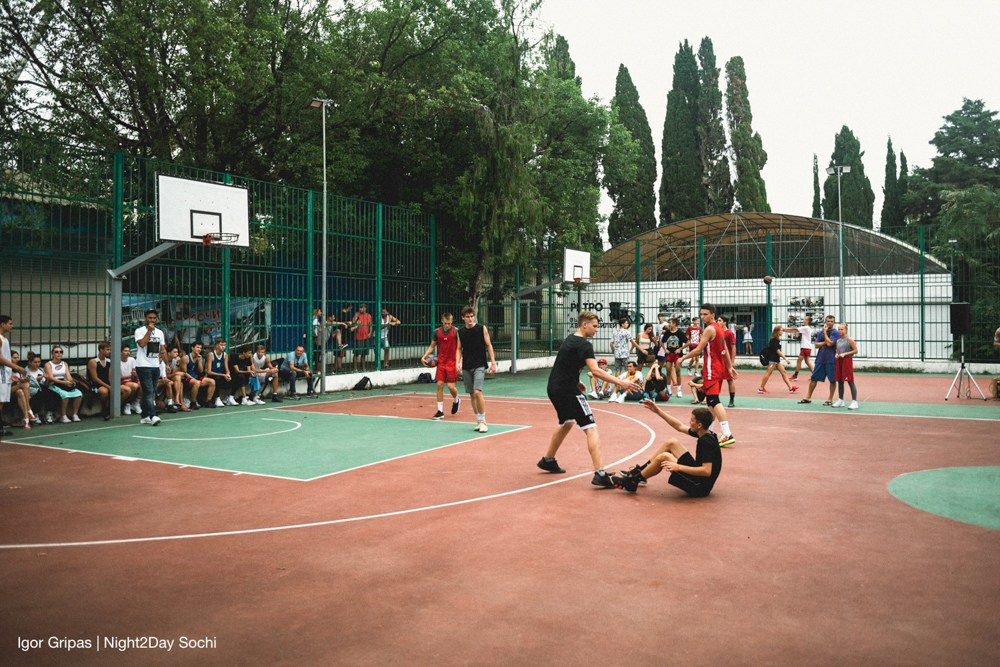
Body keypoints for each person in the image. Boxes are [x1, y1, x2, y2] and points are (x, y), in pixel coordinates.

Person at [536, 310, 642, 488]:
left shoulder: (570, 339)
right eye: (594, 326)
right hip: (567, 390)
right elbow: (596, 371)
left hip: (554, 388)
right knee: (591, 427)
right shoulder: (585, 345)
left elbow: (565, 364)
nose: (596, 329)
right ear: (584, 325)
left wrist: (576, 381)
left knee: (567, 422)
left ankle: (548, 460)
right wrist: (620, 382)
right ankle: (600, 474)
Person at [612, 403, 722, 497]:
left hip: (700, 487)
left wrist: (678, 467)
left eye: (692, 420)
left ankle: (632, 481)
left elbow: (706, 471)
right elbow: (679, 426)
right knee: (671, 442)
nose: (689, 422)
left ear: (699, 425)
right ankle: (640, 472)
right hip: (699, 478)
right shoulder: (706, 433)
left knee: (664, 457)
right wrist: (657, 411)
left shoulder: (705, 442)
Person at [679, 303, 737, 447]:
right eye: (701, 314)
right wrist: (729, 366)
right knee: (711, 405)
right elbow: (725, 350)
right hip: (719, 368)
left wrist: (682, 358)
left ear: (713, 315)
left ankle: (727, 433)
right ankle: (708, 433)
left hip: (712, 369)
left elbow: (698, 350)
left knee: (713, 400)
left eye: (705, 314)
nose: (702, 317)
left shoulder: (709, 329)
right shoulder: (719, 328)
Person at [456, 306, 497, 433]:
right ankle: (478, 421)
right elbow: (459, 348)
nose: (470, 319)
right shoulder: (460, 332)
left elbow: (489, 345)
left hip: (479, 364)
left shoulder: (481, 329)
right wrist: (458, 362)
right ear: (463, 318)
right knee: (472, 394)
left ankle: (484, 421)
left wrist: (493, 362)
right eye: (467, 317)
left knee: (477, 391)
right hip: (466, 365)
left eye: (472, 316)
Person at [423, 312, 461, 420]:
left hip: (452, 362)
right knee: (439, 384)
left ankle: (456, 399)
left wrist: (459, 362)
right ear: (442, 321)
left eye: (449, 323)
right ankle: (440, 411)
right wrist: (424, 356)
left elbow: (460, 348)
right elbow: (432, 346)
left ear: (452, 322)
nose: (447, 325)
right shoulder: (437, 332)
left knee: (451, 387)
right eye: (445, 323)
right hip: (441, 362)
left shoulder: (456, 332)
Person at [798, 315, 839, 406]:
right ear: (825, 321)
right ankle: (808, 397)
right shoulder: (820, 333)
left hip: (831, 360)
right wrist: (826, 342)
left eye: (831, 321)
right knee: (814, 378)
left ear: (834, 322)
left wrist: (825, 334)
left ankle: (830, 399)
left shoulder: (835, 333)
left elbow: (831, 343)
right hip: (820, 359)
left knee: (832, 380)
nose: (829, 323)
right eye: (828, 321)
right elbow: (816, 345)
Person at [133, 309, 165, 425]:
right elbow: (142, 344)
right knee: (148, 391)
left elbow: (162, 348)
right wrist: (149, 331)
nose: (152, 320)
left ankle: (145, 415)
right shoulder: (139, 331)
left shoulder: (160, 332)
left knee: (151, 391)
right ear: (145, 318)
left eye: (154, 318)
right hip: (143, 365)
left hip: (155, 365)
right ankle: (153, 415)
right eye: (150, 318)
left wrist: (163, 360)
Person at [0, 315, 26, 437]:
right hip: (1, 374)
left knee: (2, 402)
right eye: (10, 323)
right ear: (2, 324)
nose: (12, 326)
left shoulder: (4, 339)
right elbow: (1, 358)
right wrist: (16, 367)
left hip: (5, 374)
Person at [44, 345, 83, 423]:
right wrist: (64, 382)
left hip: (64, 383)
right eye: (56, 352)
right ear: (52, 354)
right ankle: (63, 416)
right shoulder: (48, 364)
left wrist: (71, 382)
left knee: (79, 393)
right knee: (65, 395)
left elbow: (68, 376)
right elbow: (51, 378)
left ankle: (75, 414)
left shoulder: (64, 364)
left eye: (61, 352)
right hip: (54, 384)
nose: (59, 353)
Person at [757, 325, 798, 394]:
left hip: (776, 360)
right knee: (768, 373)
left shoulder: (776, 340)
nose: (782, 332)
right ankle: (761, 388)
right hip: (773, 360)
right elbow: (778, 351)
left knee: (783, 372)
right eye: (781, 330)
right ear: (777, 331)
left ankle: (791, 388)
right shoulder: (773, 340)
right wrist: (786, 359)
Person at [832, 323, 860, 409]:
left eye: (842, 329)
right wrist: (836, 354)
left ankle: (854, 402)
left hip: (847, 361)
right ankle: (841, 400)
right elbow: (838, 350)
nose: (840, 331)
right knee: (840, 381)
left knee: (850, 381)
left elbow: (855, 351)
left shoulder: (850, 340)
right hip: (839, 361)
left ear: (846, 330)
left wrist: (845, 354)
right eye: (839, 329)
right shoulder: (838, 341)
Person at [86, 341, 116, 420]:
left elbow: (109, 377)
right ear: (101, 350)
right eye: (107, 349)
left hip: (106, 383)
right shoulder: (93, 361)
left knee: (125, 390)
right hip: (96, 384)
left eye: (110, 350)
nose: (109, 351)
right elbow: (94, 378)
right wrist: (108, 386)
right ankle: (104, 410)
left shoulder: (109, 361)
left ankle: (114, 408)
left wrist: (112, 385)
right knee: (104, 391)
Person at [182, 341, 216, 409]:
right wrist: (193, 379)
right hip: (186, 378)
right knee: (197, 383)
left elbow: (201, 371)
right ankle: (193, 402)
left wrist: (200, 361)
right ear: (192, 348)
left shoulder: (200, 357)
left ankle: (208, 401)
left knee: (212, 381)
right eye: (197, 347)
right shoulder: (186, 358)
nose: (199, 349)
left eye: (200, 348)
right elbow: (184, 372)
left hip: (196, 377)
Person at [661, 318, 687, 399]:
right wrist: (665, 349)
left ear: (675, 323)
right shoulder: (667, 332)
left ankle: (679, 390)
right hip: (669, 354)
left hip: (677, 355)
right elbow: (662, 342)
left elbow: (688, 342)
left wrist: (680, 349)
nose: (669, 324)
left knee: (678, 371)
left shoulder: (680, 333)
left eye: (670, 323)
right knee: (668, 371)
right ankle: (669, 389)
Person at [206, 338, 236, 406]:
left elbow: (227, 368)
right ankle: (217, 398)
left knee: (236, 377)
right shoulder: (211, 355)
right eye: (221, 345)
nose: (223, 347)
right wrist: (223, 375)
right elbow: (209, 372)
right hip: (212, 375)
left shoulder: (225, 355)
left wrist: (228, 374)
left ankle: (230, 397)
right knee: (216, 379)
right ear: (216, 345)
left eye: (224, 345)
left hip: (221, 375)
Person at [784, 316, 815, 380]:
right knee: (807, 361)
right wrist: (785, 330)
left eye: (805, 319)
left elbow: (795, 330)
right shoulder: (807, 328)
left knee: (799, 360)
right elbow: (795, 330)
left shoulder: (806, 327)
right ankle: (815, 375)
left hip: (805, 347)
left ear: (808, 321)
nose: (803, 320)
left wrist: (783, 329)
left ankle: (795, 376)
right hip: (806, 347)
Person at [717, 314, 738, 407]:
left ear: (725, 322)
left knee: (730, 380)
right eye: (717, 320)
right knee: (717, 380)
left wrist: (732, 361)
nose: (718, 322)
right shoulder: (716, 332)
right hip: (718, 360)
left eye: (720, 320)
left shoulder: (729, 333)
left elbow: (733, 347)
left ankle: (731, 400)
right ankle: (715, 399)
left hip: (726, 361)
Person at [120, 344, 141, 415]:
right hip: (122, 382)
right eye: (125, 351)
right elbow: (118, 377)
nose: (127, 352)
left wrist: (135, 374)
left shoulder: (132, 360)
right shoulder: (117, 361)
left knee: (142, 384)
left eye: (129, 351)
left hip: (131, 380)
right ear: (121, 352)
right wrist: (130, 376)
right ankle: (127, 403)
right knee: (134, 386)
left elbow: (134, 372)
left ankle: (136, 403)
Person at [351, 304, 374, 372]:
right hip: (358, 337)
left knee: (364, 353)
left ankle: (363, 368)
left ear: (365, 308)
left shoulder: (369, 316)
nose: (360, 309)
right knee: (356, 353)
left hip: (366, 337)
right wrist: (356, 318)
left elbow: (370, 325)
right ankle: (355, 368)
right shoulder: (357, 314)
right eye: (360, 308)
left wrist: (370, 333)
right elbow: (352, 322)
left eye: (362, 308)